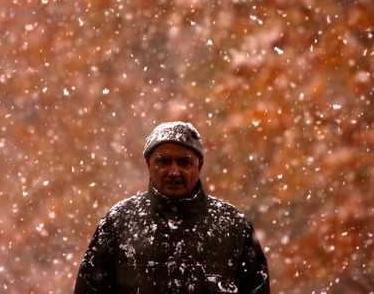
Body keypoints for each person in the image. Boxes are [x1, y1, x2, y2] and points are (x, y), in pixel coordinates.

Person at [74, 121, 270, 293]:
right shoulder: (118, 222)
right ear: (148, 164)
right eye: (163, 161)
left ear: (199, 165)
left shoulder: (233, 227)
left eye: (184, 162)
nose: (174, 172)